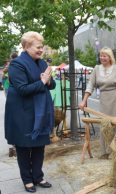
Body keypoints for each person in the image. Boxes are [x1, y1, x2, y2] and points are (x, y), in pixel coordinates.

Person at [5, 31, 55, 193]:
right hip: (22, 112)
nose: (41, 50)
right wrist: (42, 81)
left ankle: (38, 176)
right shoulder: (17, 64)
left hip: (40, 112)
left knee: (40, 145)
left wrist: (47, 81)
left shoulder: (41, 63)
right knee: (24, 147)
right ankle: (27, 179)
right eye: (38, 47)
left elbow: (51, 84)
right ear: (26, 46)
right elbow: (22, 89)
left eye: (42, 47)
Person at [79, 47, 116, 159]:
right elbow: (90, 85)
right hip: (104, 99)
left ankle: (115, 152)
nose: (102, 57)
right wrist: (84, 100)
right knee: (105, 126)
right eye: (101, 55)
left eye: (105, 55)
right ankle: (104, 152)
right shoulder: (96, 69)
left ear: (110, 57)